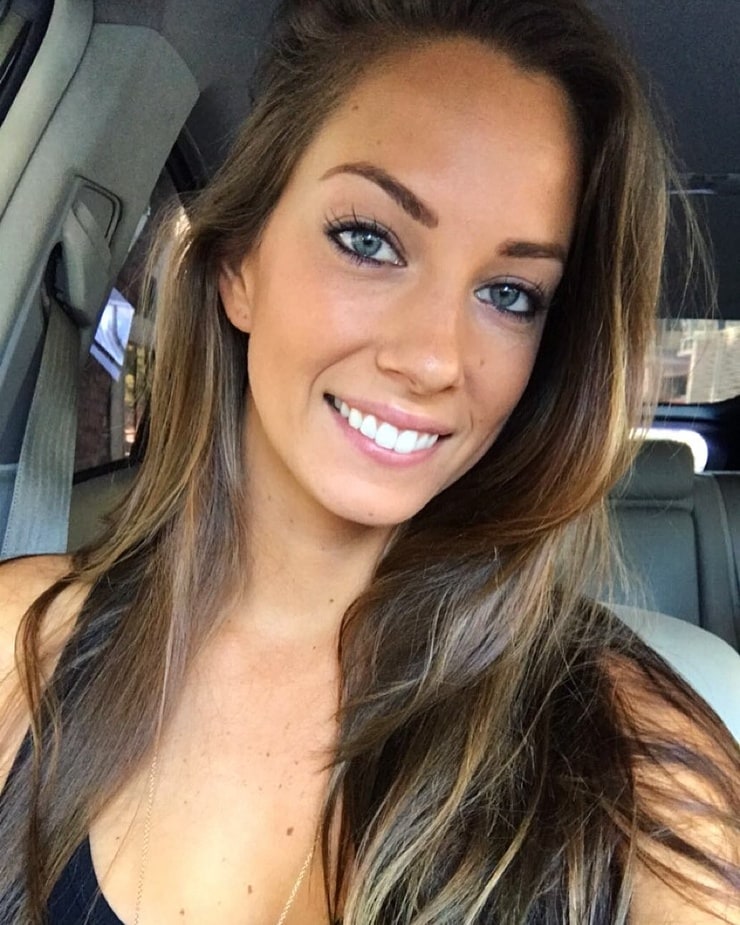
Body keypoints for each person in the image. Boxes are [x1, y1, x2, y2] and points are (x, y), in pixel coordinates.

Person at [0, 0, 738, 922]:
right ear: (239, 265)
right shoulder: (21, 641)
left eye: (511, 294)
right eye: (369, 241)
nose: (433, 359)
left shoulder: (637, 764)